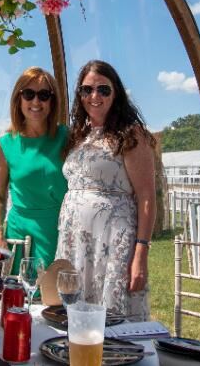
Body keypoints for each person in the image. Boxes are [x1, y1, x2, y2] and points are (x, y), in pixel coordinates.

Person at [55, 60, 156, 322]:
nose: (94, 96)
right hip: (75, 242)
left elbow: (146, 197)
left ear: (116, 93)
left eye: (103, 89)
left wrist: (140, 254)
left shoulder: (131, 135)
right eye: (87, 90)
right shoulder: (79, 135)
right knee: (74, 315)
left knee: (111, 320)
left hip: (112, 242)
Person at [0, 67, 68, 270]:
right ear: (19, 99)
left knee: (52, 295)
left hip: (58, 229)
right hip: (18, 232)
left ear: (52, 101)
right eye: (28, 94)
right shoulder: (5, 144)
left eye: (44, 95)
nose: (36, 102)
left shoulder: (68, 138)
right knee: (17, 294)